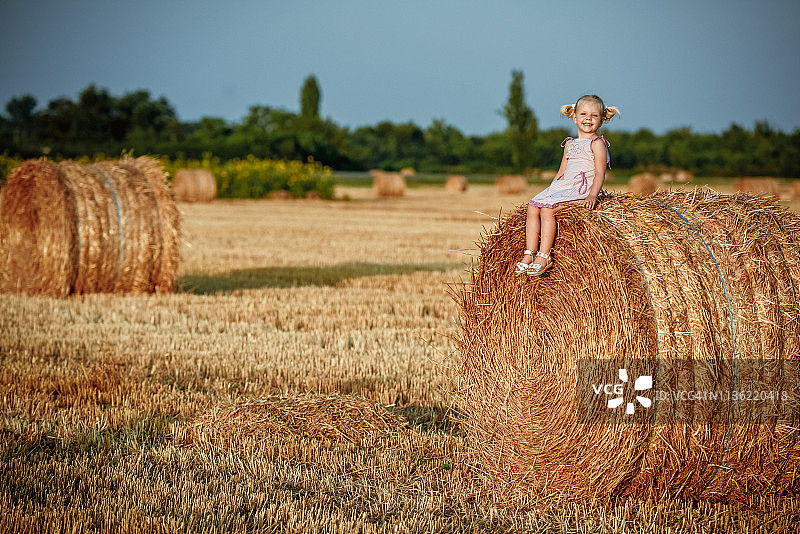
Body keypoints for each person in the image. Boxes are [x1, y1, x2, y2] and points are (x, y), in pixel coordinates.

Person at [515, 94, 620, 276]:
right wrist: (551, 191)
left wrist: (593, 195)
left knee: (547, 211)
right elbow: (561, 171)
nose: (588, 119)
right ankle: (529, 253)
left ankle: (544, 255)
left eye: (594, 116)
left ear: (602, 120)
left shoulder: (597, 144)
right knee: (533, 206)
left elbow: (600, 173)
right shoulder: (570, 143)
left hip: (581, 189)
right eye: (584, 114)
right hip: (565, 187)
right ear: (575, 117)